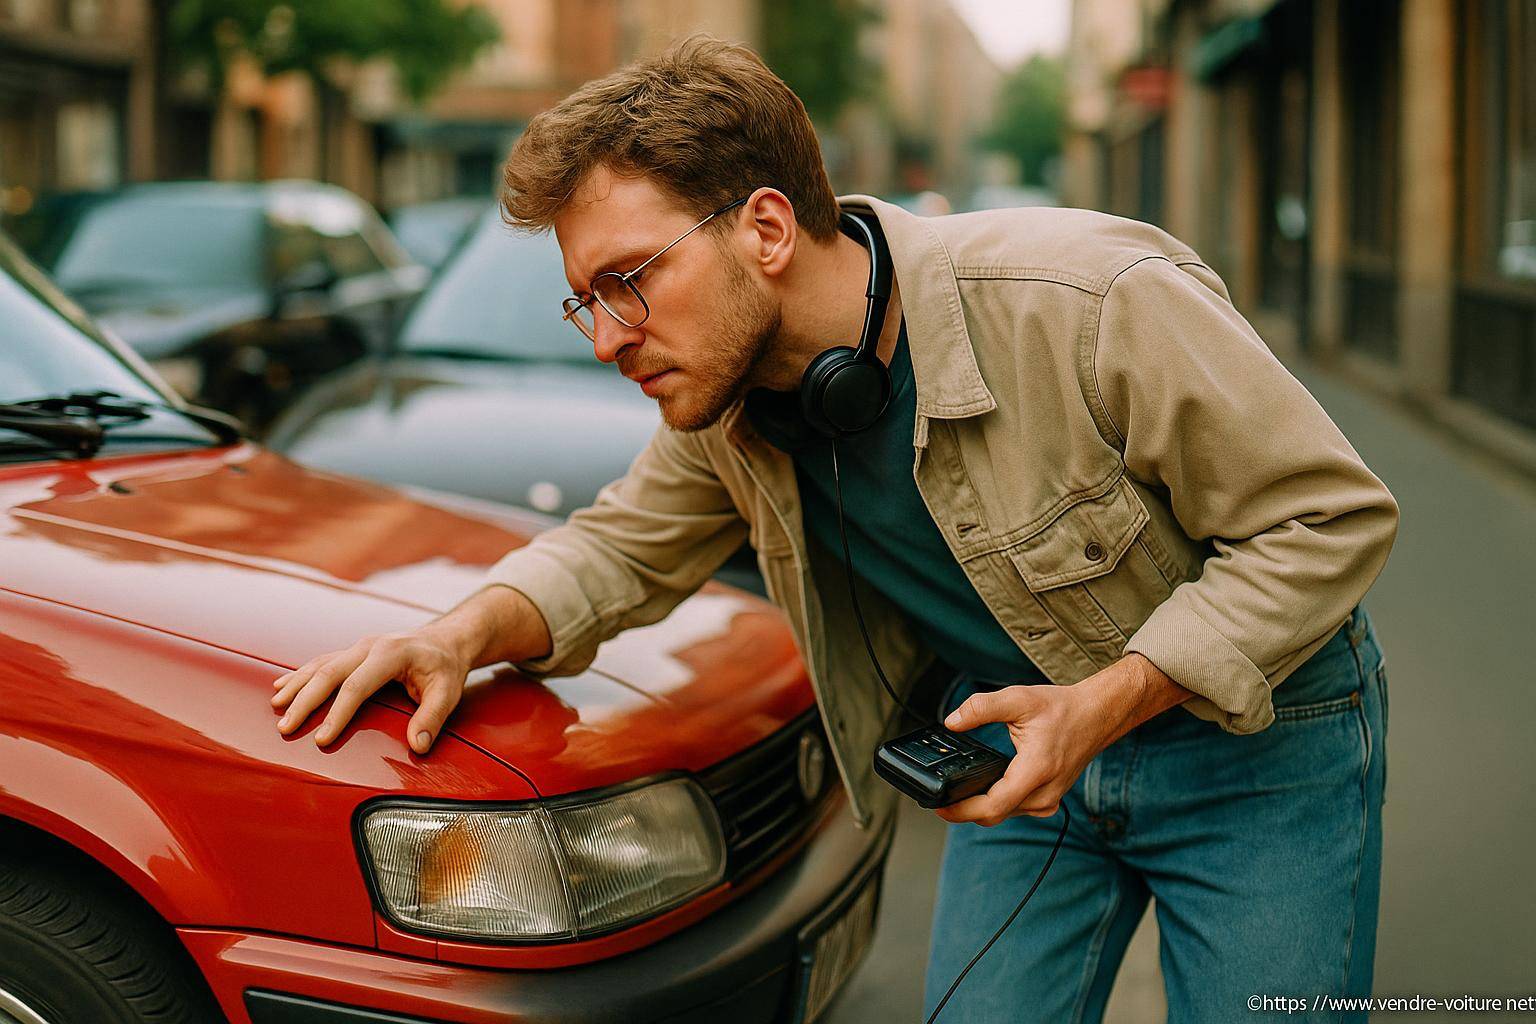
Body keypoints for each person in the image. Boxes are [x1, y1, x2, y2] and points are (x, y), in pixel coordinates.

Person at [270, 36, 1398, 1022]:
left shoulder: (1090, 299)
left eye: (628, 282)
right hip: (1020, 763)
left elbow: (1327, 519)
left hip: (1261, 750)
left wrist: (1103, 704)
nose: (605, 340)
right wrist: (459, 632)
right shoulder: (727, 400)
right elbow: (615, 548)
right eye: (586, 301)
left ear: (765, 226)